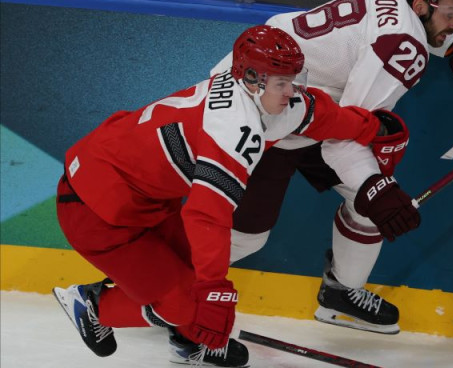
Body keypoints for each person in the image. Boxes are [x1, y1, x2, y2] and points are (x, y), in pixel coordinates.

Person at [52, 25, 401, 367]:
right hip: (94, 205)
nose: (291, 91)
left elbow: (323, 116)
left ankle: (187, 341)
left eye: (293, 79)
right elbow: (207, 216)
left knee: (191, 278)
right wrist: (213, 290)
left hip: (139, 192)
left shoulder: (268, 98)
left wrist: (376, 128)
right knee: (185, 303)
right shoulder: (235, 127)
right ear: (251, 78)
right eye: (282, 83)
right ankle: (93, 305)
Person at [211, 0, 453, 334]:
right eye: (450, 15)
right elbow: (348, 134)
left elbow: (387, 39)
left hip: (305, 106)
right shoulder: (401, 49)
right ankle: (165, 285)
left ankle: (340, 294)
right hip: (259, 111)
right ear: (421, 5)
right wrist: (376, 187)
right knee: (247, 236)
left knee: (370, 203)